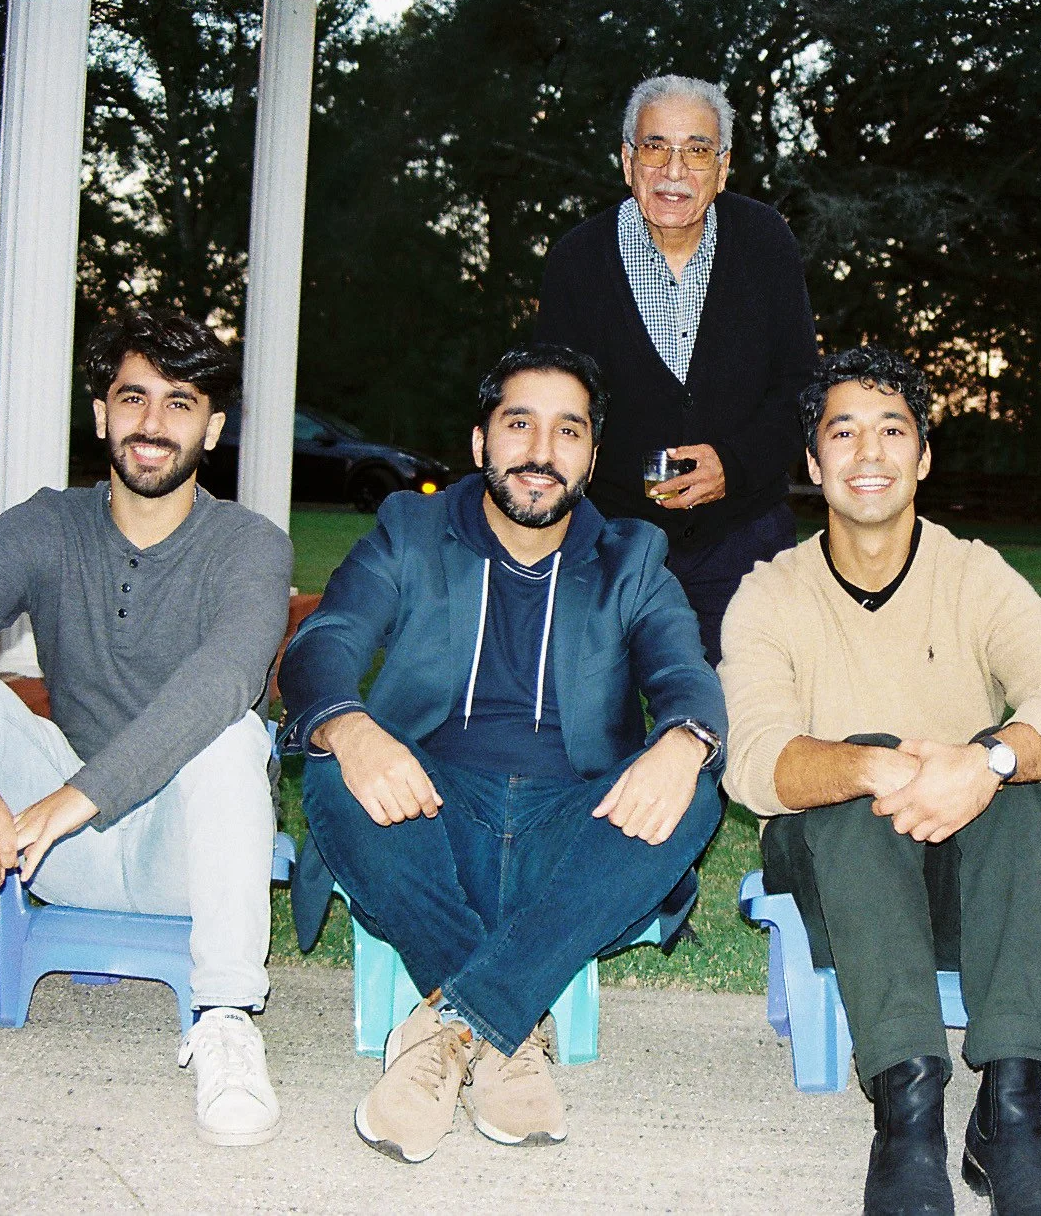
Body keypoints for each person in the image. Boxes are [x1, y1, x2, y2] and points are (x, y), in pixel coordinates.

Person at [0, 310, 294, 1147]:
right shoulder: (45, 525)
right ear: (102, 412)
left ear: (213, 428)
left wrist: (76, 796)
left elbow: (222, 682)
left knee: (232, 733)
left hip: (189, 859)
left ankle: (225, 1016)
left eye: (180, 403)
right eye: (134, 398)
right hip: (65, 855)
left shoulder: (249, 545)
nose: (153, 424)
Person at [280, 343, 725, 1164]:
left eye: (568, 431)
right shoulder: (411, 531)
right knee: (340, 767)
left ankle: (454, 1025)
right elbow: (325, 642)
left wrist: (684, 738)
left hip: (572, 831)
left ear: (592, 456)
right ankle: (510, 1032)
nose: (541, 451)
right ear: (481, 440)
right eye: (520, 424)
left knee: (691, 784)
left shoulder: (632, 558)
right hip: (428, 818)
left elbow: (684, 673)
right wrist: (350, 726)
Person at [719, 347, 1041, 1216]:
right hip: (836, 881)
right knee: (852, 773)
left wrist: (986, 763)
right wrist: (877, 765)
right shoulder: (769, 595)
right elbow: (750, 761)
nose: (869, 453)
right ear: (813, 462)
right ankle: (907, 1114)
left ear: (924, 456)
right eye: (843, 433)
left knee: (1025, 774)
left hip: (968, 888)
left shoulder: (974, 574)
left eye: (892, 430)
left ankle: (1011, 1112)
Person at [536, 74, 818, 664]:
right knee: (588, 711)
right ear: (627, 161)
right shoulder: (576, 261)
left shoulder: (765, 242)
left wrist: (733, 466)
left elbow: (801, 387)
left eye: (697, 150)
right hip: (610, 542)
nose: (674, 170)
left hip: (743, 540)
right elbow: (555, 409)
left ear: (723, 167)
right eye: (655, 147)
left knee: (739, 709)